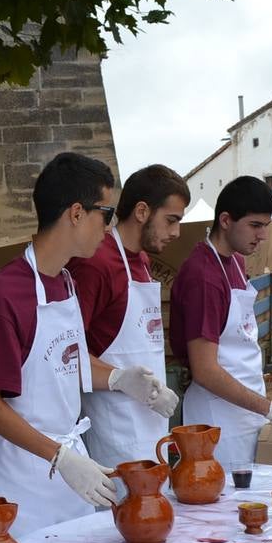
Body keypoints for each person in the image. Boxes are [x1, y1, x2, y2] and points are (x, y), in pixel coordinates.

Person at [0, 152, 166, 539]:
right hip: (24, 474)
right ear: (77, 213)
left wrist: (120, 379)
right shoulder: (4, 295)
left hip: (73, 465)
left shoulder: (66, 282)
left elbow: (67, 362)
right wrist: (58, 456)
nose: (108, 229)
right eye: (106, 214)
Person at [170, 176, 272, 469]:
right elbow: (205, 370)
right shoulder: (203, 276)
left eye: (266, 227)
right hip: (218, 420)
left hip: (245, 407)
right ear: (226, 220)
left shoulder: (234, 261)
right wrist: (271, 409)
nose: (262, 236)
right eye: (255, 226)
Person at [69, 164, 185, 467]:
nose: (177, 233)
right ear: (143, 211)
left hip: (152, 426)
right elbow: (68, 355)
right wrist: (122, 380)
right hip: (114, 431)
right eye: (171, 220)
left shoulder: (143, 260)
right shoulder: (97, 264)